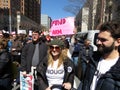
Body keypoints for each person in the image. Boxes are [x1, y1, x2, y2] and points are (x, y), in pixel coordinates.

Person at [78, 20, 120, 90]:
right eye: (98, 39)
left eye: (103, 40)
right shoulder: (94, 59)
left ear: (118, 42)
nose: (98, 42)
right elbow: (85, 82)